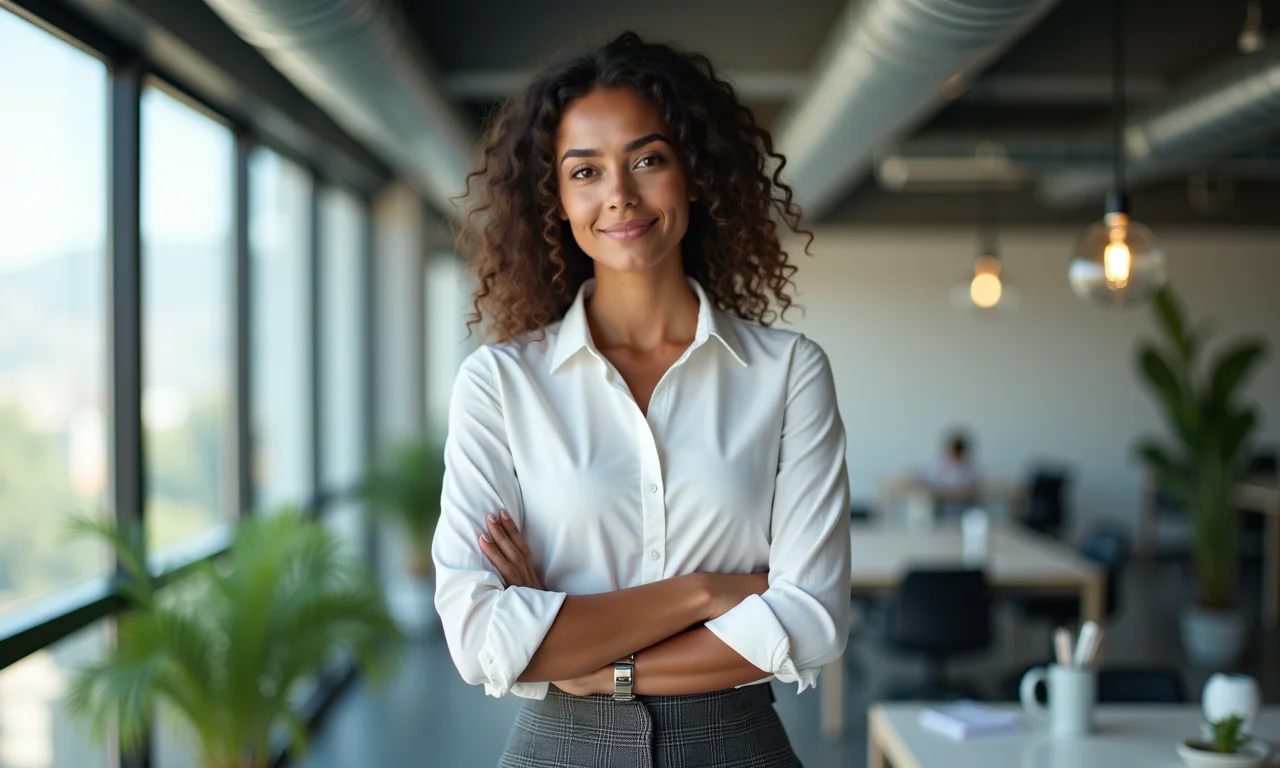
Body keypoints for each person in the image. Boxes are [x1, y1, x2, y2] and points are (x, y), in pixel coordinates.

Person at [432, 31, 851, 767]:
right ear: (555, 200)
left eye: (648, 159)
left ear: (694, 175)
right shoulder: (500, 385)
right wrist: (707, 591)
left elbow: (813, 620)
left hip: (738, 746)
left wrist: (584, 659)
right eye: (585, 171)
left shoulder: (787, 373)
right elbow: (480, 638)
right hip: (559, 750)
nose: (619, 195)